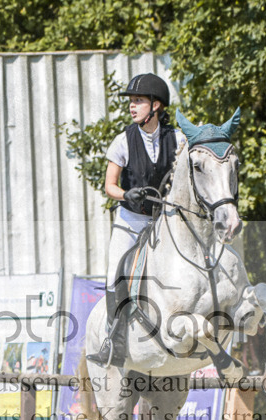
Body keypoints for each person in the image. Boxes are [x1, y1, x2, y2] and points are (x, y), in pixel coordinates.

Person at [85, 73, 186, 367]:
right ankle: (113, 341)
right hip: (131, 222)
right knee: (116, 272)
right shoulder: (123, 141)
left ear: (157, 105)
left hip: (164, 221)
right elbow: (110, 186)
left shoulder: (178, 139)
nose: (132, 107)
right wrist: (126, 194)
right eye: (131, 102)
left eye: (138, 101)